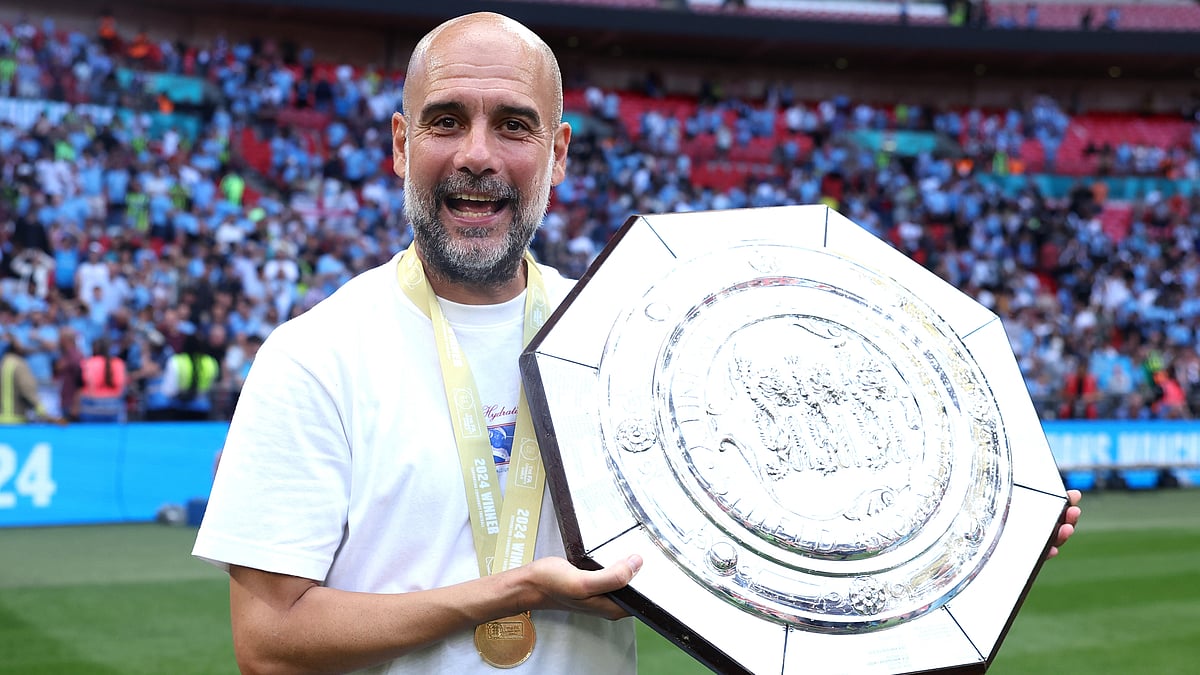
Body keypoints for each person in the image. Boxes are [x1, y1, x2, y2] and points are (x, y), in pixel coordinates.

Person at [193, 12, 1081, 675]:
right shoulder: (316, 353)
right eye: (444, 120)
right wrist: (513, 591)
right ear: (399, 144)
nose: (477, 154)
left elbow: (771, 533)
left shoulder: (630, 334)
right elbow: (268, 639)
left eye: (513, 124)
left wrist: (964, 532)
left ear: (560, 153)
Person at [78, 335, 128, 421]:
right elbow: (121, 388)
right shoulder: (119, 363)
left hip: (91, 408)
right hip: (113, 408)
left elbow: (84, 385)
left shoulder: (87, 363)